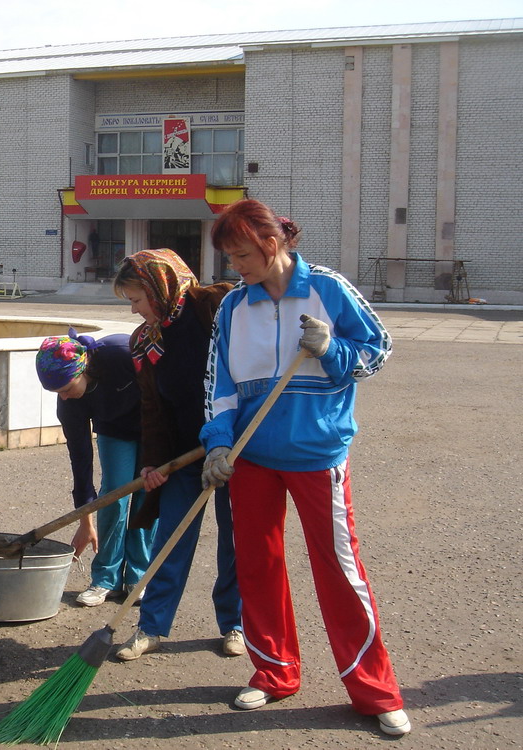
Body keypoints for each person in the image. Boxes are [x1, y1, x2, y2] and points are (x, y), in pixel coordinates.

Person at [201, 198, 410, 736]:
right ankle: (274, 672)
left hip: (318, 454)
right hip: (250, 457)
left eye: (242, 255)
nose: (236, 268)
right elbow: (219, 385)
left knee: (340, 570)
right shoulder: (232, 308)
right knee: (258, 565)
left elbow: (379, 349)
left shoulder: (329, 288)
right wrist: (219, 444)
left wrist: (332, 349)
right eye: (229, 257)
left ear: (272, 245)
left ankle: (375, 690)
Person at [110, 248, 244, 661]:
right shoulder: (146, 340)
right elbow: (153, 407)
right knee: (170, 540)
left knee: (235, 541)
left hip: (235, 448)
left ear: (158, 287)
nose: (134, 311)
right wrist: (152, 460)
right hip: (184, 454)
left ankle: (235, 624)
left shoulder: (216, 306)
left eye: (136, 300)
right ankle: (151, 626)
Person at [35, 329, 154, 607]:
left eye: (65, 389)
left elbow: (161, 391)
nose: (62, 397)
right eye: (56, 393)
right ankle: (106, 578)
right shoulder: (69, 404)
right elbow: (80, 460)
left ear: (82, 370)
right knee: (114, 494)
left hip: (152, 425)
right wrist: (85, 521)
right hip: (113, 430)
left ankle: (138, 575)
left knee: (148, 497)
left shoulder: (121, 355)